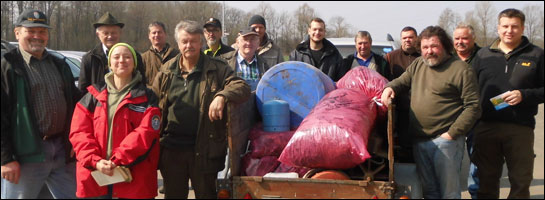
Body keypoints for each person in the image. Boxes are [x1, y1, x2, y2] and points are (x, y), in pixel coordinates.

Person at [151, 20, 250, 199]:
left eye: (193, 41)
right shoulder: (166, 71)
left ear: (201, 42)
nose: (189, 45)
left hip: (204, 150)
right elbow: (152, 101)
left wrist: (222, 96)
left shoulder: (217, 68)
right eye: (184, 41)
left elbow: (241, 87)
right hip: (172, 151)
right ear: (178, 43)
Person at [381, 26, 481, 199]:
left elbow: (473, 106)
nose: (429, 51)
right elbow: (402, 81)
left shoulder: (461, 69)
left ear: (445, 46)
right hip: (420, 140)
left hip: (446, 142)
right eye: (425, 47)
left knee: (448, 193)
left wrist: (451, 134)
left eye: (434, 46)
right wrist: (389, 88)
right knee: (430, 192)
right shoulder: (419, 64)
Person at [1, 9, 80, 199]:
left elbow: (75, 103)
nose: (37, 36)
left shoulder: (59, 64)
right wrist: (5, 158)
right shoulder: (7, 66)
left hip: (61, 151)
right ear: (17, 33)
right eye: (31, 31)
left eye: (42, 31)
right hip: (26, 153)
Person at [69, 43, 161, 198]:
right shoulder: (92, 96)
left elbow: (146, 133)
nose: (121, 61)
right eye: (116, 57)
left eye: (127, 57)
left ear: (134, 63)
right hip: (95, 176)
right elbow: (79, 132)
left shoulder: (147, 97)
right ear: (109, 63)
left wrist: (118, 159)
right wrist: (95, 161)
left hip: (133, 177)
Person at [471, 8, 544, 199]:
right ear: (498, 28)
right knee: (486, 180)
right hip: (486, 127)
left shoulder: (537, 55)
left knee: (521, 181)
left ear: (522, 28)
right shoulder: (483, 55)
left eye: (514, 26)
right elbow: (470, 89)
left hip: (520, 128)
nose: (509, 31)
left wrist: (524, 95)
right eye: (505, 26)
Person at [79, 12, 147, 95]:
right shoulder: (89, 58)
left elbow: (141, 84)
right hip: (98, 105)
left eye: (114, 32)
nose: (110, 36)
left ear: (120, 33)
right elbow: (82, 91)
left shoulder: (134, 56)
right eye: (106, 33)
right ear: (98, 34)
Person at [452, 22, 481, 199]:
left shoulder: (484, 57)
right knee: (450, 162)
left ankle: (475, 194)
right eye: (457, 38)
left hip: (476, 118)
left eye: (464, 38)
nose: (460, 42)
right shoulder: (446, 58)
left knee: (476, 161)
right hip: (451, 119)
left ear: (473, 39)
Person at [384, 26, 420, 162]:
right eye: (404, 38)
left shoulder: (423, 56)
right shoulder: (391, 57)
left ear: (416, 38)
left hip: (420, 105)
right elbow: (385, 80)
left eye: (410, 37)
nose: (408, 40)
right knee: (402, 138)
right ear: (401, 40)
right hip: (399, 106)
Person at [220, 27, 271, 91]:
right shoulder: (225, 62)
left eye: (252, 39)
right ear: (237, 42)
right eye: (245, 39)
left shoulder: (265, 65)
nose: (249, 43)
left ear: (258, 43)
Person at [142, 21, 179, 87]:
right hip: (151, 95)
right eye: (154, 33)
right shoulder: (143, 58)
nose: (156, 35)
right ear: (149, 36)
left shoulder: (177, 55)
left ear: (165, 34)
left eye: (159, 32)